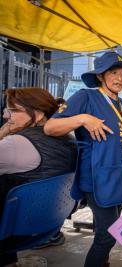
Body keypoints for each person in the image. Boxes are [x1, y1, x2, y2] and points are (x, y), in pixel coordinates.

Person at [44, 51, 122, 267]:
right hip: (97, 178)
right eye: (113, 73)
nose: (119, 79)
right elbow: (50, 127)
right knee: (107, 236)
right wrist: (83, 118)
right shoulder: (85, 97)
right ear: (100, 76)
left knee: (110, 230)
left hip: (121, 177)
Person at [0, 88, 77, 266]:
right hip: (48, 225)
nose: (6, 116)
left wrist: (3, 133)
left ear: (38, 113)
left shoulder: (15, 144)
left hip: (13, 232)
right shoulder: (69, 138)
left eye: (13, 110)